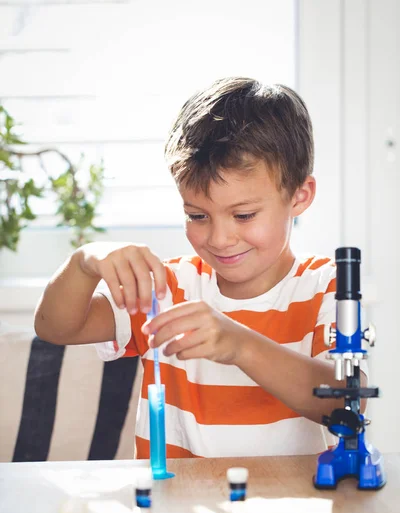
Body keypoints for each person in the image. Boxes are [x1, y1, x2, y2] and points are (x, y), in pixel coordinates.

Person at [35, 76, 366, 459]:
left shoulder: (328, 287)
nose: (220, 238)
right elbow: (53, 327)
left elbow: (344, 404)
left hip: (289, 511)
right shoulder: (168, 288)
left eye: (243, 215)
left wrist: (238, 343)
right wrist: (84, 263)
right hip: (177, 511)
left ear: (299, 196)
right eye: (197, 215)